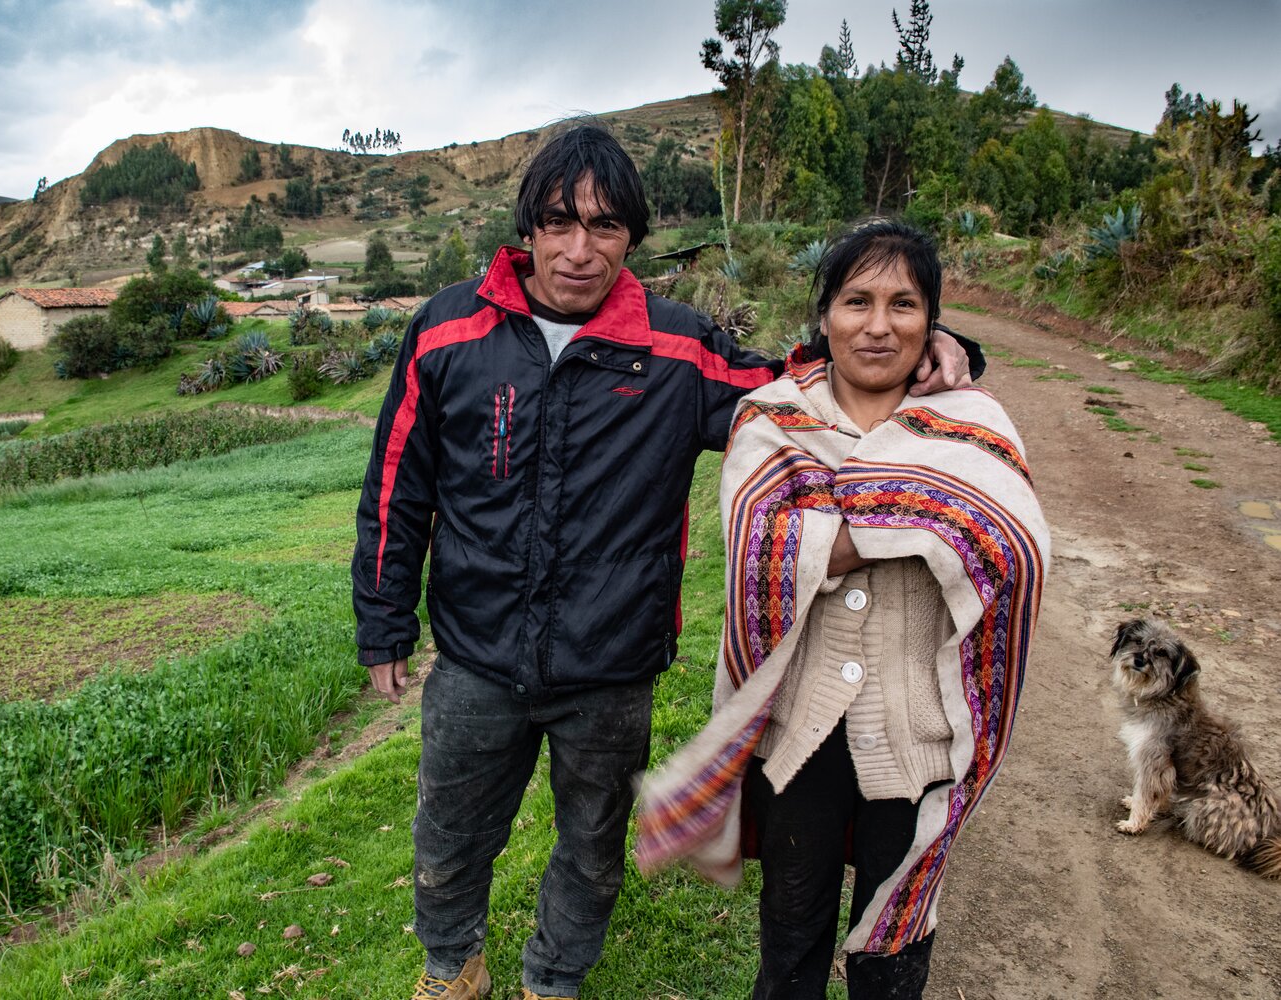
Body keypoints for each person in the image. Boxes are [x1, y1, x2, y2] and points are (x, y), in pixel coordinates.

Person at [351, 126, 978, 1000]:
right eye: (560, 221)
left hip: (611, 665)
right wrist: (384, 620)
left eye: (605, 227)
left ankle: (551, 982)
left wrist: (932, 350)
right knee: (449, 838)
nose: (579, 250)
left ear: (632, 238)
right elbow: (396, 484)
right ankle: (453, 969)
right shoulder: (448, 331)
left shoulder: (677, 349)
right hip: (474, 656)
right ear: (527, 224)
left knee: (593, 847)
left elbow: (798, 386)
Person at [635, 219, 1050, 999]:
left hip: (920, 734)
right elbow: (759, 545)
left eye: (904, 304)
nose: (879, 324)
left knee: (892, 956)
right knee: (791, 941)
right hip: (803, 734)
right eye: (857, 301)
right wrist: (927, 515)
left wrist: (838, 523)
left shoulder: (974, 422)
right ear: (824, 316)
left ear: (932, 323)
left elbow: (1014, 546)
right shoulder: (770, 417)